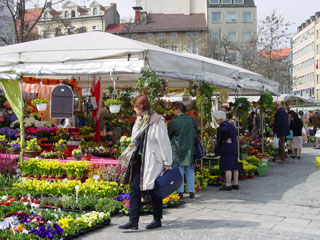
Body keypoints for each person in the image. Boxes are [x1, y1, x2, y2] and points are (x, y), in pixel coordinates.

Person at [118, 95, 172, 230]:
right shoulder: (139, 120)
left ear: (141, 106)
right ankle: (133, 221)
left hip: (152, 160)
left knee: (153, 189)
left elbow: (164, 142)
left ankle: (157, 219)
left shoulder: (157, 121)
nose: (134, 109)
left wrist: (167, 161)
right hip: (138, 159)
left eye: (135, 106)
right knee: (134, 188)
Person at [168, 102, 196, 199]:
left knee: (179, 171)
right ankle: (191, 191)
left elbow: (169, 135)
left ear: (177, 109)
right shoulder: (192, 120)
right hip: (190, 148)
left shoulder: (174, 122)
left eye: (173, 109)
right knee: (190, 170)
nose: (173, 112)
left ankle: (180, 192)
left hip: (177, 149)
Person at [213, 111, 239, 191]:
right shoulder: (231, 125)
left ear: (219, 119)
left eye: (215, 119)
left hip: (226, 148)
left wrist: (224, 139)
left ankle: (228, 184)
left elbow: (224, 131)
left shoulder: (222, 126)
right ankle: (236, 183)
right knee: (234, 167)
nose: (215, 120)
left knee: (227, 167)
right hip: (233, 148)